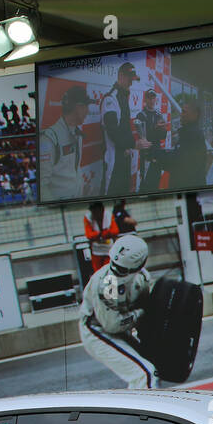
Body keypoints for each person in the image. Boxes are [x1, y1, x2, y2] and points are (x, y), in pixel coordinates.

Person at [78, 234, 158, 389]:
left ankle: (135, 410)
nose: (115, 270)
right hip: (97, 330)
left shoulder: (142, 278)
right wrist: (140, 314)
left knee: (147, 368)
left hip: (119, 327)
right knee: (145, 374)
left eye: (121, 269)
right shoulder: (108, 283)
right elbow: (112, 325)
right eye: (113, 263)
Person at [102, 62, 149, 196]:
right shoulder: (111, 98)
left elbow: (124, 129)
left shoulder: (123, 97)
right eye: (129, 80)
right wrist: (133, 144)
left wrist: (128, 147)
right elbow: (113, 132)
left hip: (124, 158)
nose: (131, 84)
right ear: (121, 76)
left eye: (133, 80)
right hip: (113, 161)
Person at [40, 85, 89, 201]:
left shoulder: (77, 133)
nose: (88, 111)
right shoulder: (50, 138)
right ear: (78, 107)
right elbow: (42, 185)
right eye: (86, 106)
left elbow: (72, 170)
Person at [169, 98, 208, 189]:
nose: (181, 115)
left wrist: (156, 156)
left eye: (184, 112)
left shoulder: (193, 136)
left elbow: (180, 163)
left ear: (195, 115)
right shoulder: (188, 133)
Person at [136, 89, 167, 191]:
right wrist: (155, 128)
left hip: (157, 153)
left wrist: (163, 129)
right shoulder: (140, 115)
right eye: (149, 98)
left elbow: (163, 136)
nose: (152, 100)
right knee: (145, 183)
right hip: (146, 155)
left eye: (153, 98)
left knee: (155, 183)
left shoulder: (159, 114)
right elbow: (143, 137)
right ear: (145, 99)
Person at [83, 202, 119, 274]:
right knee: (98, 274)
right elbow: (89, 235)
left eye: (95, 211)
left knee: (110, 273)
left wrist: (98, 235)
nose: (94, 213)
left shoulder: (109, 215)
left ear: (102, 209)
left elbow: (115, 231)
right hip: (96, 252)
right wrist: (103, 233)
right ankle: (100, 285)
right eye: (92, 211)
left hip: (109, 251)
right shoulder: (87, 217)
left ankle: (111, 286)